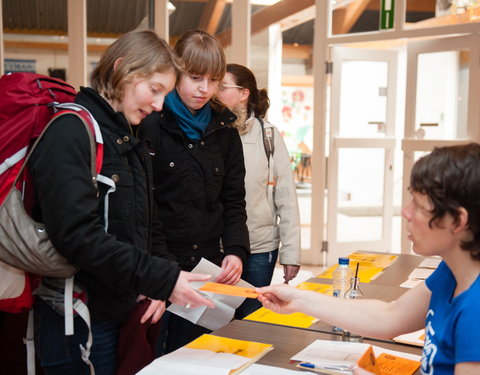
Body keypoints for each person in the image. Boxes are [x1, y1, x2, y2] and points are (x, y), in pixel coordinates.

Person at [29, 29, 214, 375]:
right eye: (154, 90)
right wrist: (161, 278)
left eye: (165, 94)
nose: (159, 105)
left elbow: (148, 223)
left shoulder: (128, 135)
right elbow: (78, 236)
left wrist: (161, 281)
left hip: (122, 310)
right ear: (122, 70)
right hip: (80, 317)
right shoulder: (71, 130)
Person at [257, 143, 480, 375]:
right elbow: (390, 316)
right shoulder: (451, 272)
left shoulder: (475, 308)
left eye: (419, 205)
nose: (406, 211)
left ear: (456, 220)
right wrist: (299, 300)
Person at [140, 30, 250, 353]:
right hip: (161, 275)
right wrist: (164, 273)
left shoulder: (225, 132)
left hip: (208, 274)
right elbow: (146, 209)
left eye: (214, 80)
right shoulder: (150, 123)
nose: (204, 89)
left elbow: (233, 201)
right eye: (195, 77)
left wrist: (236, 250)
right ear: (176, 72)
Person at [216, 63, 301, 319]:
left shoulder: (269, 136)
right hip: (216, 248)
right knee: (213, 321)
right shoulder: (208, 134)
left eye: (221, 86)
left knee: (250, 321)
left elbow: (286, 197)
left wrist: (291, 253)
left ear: (244, 94)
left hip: (259, 247)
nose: (212, 91)